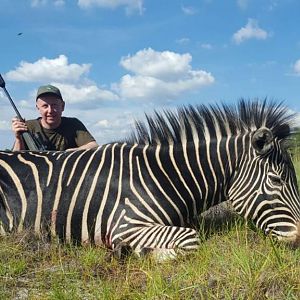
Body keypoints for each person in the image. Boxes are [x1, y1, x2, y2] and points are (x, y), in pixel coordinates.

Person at [11, 84, 99, 151]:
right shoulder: (27, 127)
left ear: (63, 106)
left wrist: (72, 152)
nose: (50, 110)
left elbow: (93, 145)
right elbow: (15, 158)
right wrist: (18, 138)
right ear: (38, 108)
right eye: (45, 106)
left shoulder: (73, 124)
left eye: (54, 105)